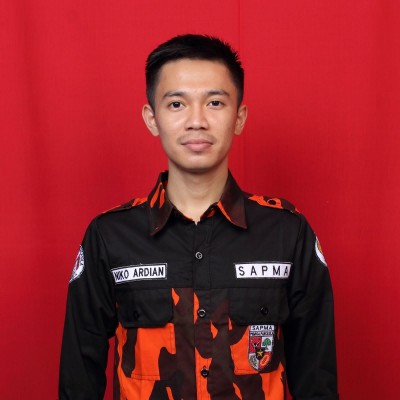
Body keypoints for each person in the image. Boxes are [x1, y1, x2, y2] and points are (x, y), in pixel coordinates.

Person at [59, 34, 339, 400]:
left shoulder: (287, 232)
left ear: (239, 117)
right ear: (152, 118)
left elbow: (317, 378)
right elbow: (79, 377)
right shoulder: (110, 236)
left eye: (215, 102)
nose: (197, 121)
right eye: (176, 104)